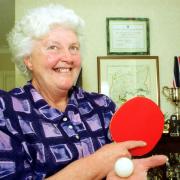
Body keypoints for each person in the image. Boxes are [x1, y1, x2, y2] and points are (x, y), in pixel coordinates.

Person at [0, 4, 167, 180]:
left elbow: (117, 166)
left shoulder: (102, 106)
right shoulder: (6, 110)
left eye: (74, 48)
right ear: (28, 59)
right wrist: (95, 164)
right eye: (53, 47)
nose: (68, 57)